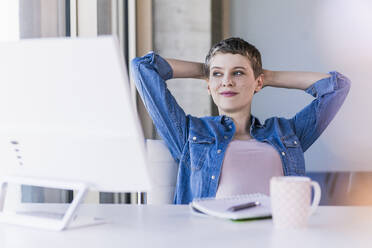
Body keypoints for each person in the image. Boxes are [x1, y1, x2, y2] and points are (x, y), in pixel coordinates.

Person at [131, 37, 351, 204]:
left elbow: (337, 87)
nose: (226, 81)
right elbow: (143, 68)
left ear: (258, 83)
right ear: (208, 85)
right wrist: (205, 71)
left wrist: (268, 77)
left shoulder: (286, 133)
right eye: (218, 74)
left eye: (237, 73)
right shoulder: (189, 134)